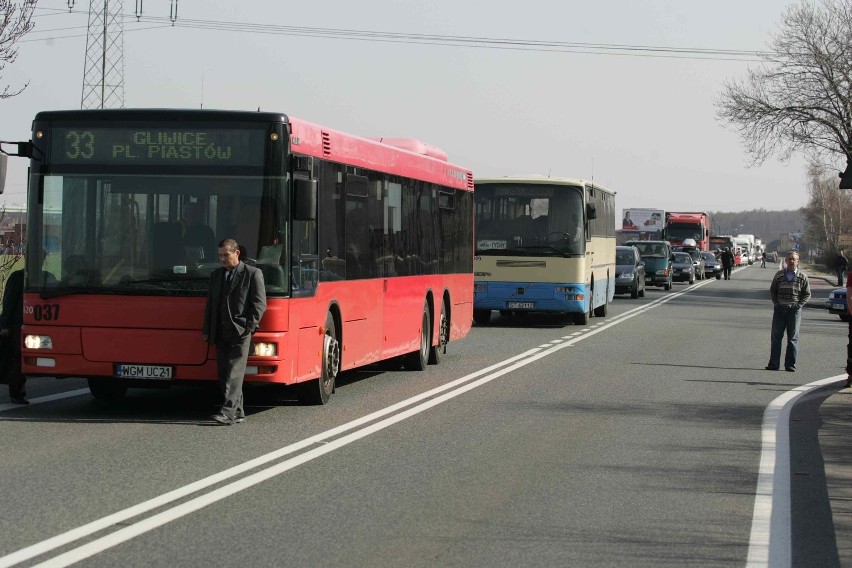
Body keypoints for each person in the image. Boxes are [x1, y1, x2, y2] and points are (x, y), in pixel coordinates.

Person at [202, 239, 267, 425]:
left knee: (234, 373)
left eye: (226, 255)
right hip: (220, 332)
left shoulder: (253, 273)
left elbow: (260, 304)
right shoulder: (216, 275)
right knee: (223, 374)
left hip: (241, 332)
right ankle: (238, 412)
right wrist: (207, 329)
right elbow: (210, 306)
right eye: (220, 255)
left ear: (237, 253)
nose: (222, 259)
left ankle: (228, 412)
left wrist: (250, 326)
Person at [766, 251, 811, 372]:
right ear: (785, 261)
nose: (791, 261)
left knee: (792, 338)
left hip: (794, 311)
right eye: (789, 259)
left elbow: (807, 294)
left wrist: (798, 305)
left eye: (794, 259)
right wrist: (776, 303)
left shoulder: (802, 277)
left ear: (798, 262)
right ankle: (773, 364)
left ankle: (790, 365)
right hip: (780, 310)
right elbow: (773, 290)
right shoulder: (779, 275)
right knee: (776, 337)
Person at [0, 269, 26, 404]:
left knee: (19, 358)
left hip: (29, 323)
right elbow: (8, 301)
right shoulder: (18, 277)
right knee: (16, 358)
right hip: (16, 325)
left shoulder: (44, 276)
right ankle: (17, 392)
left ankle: (19, 391)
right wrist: (5, 325)